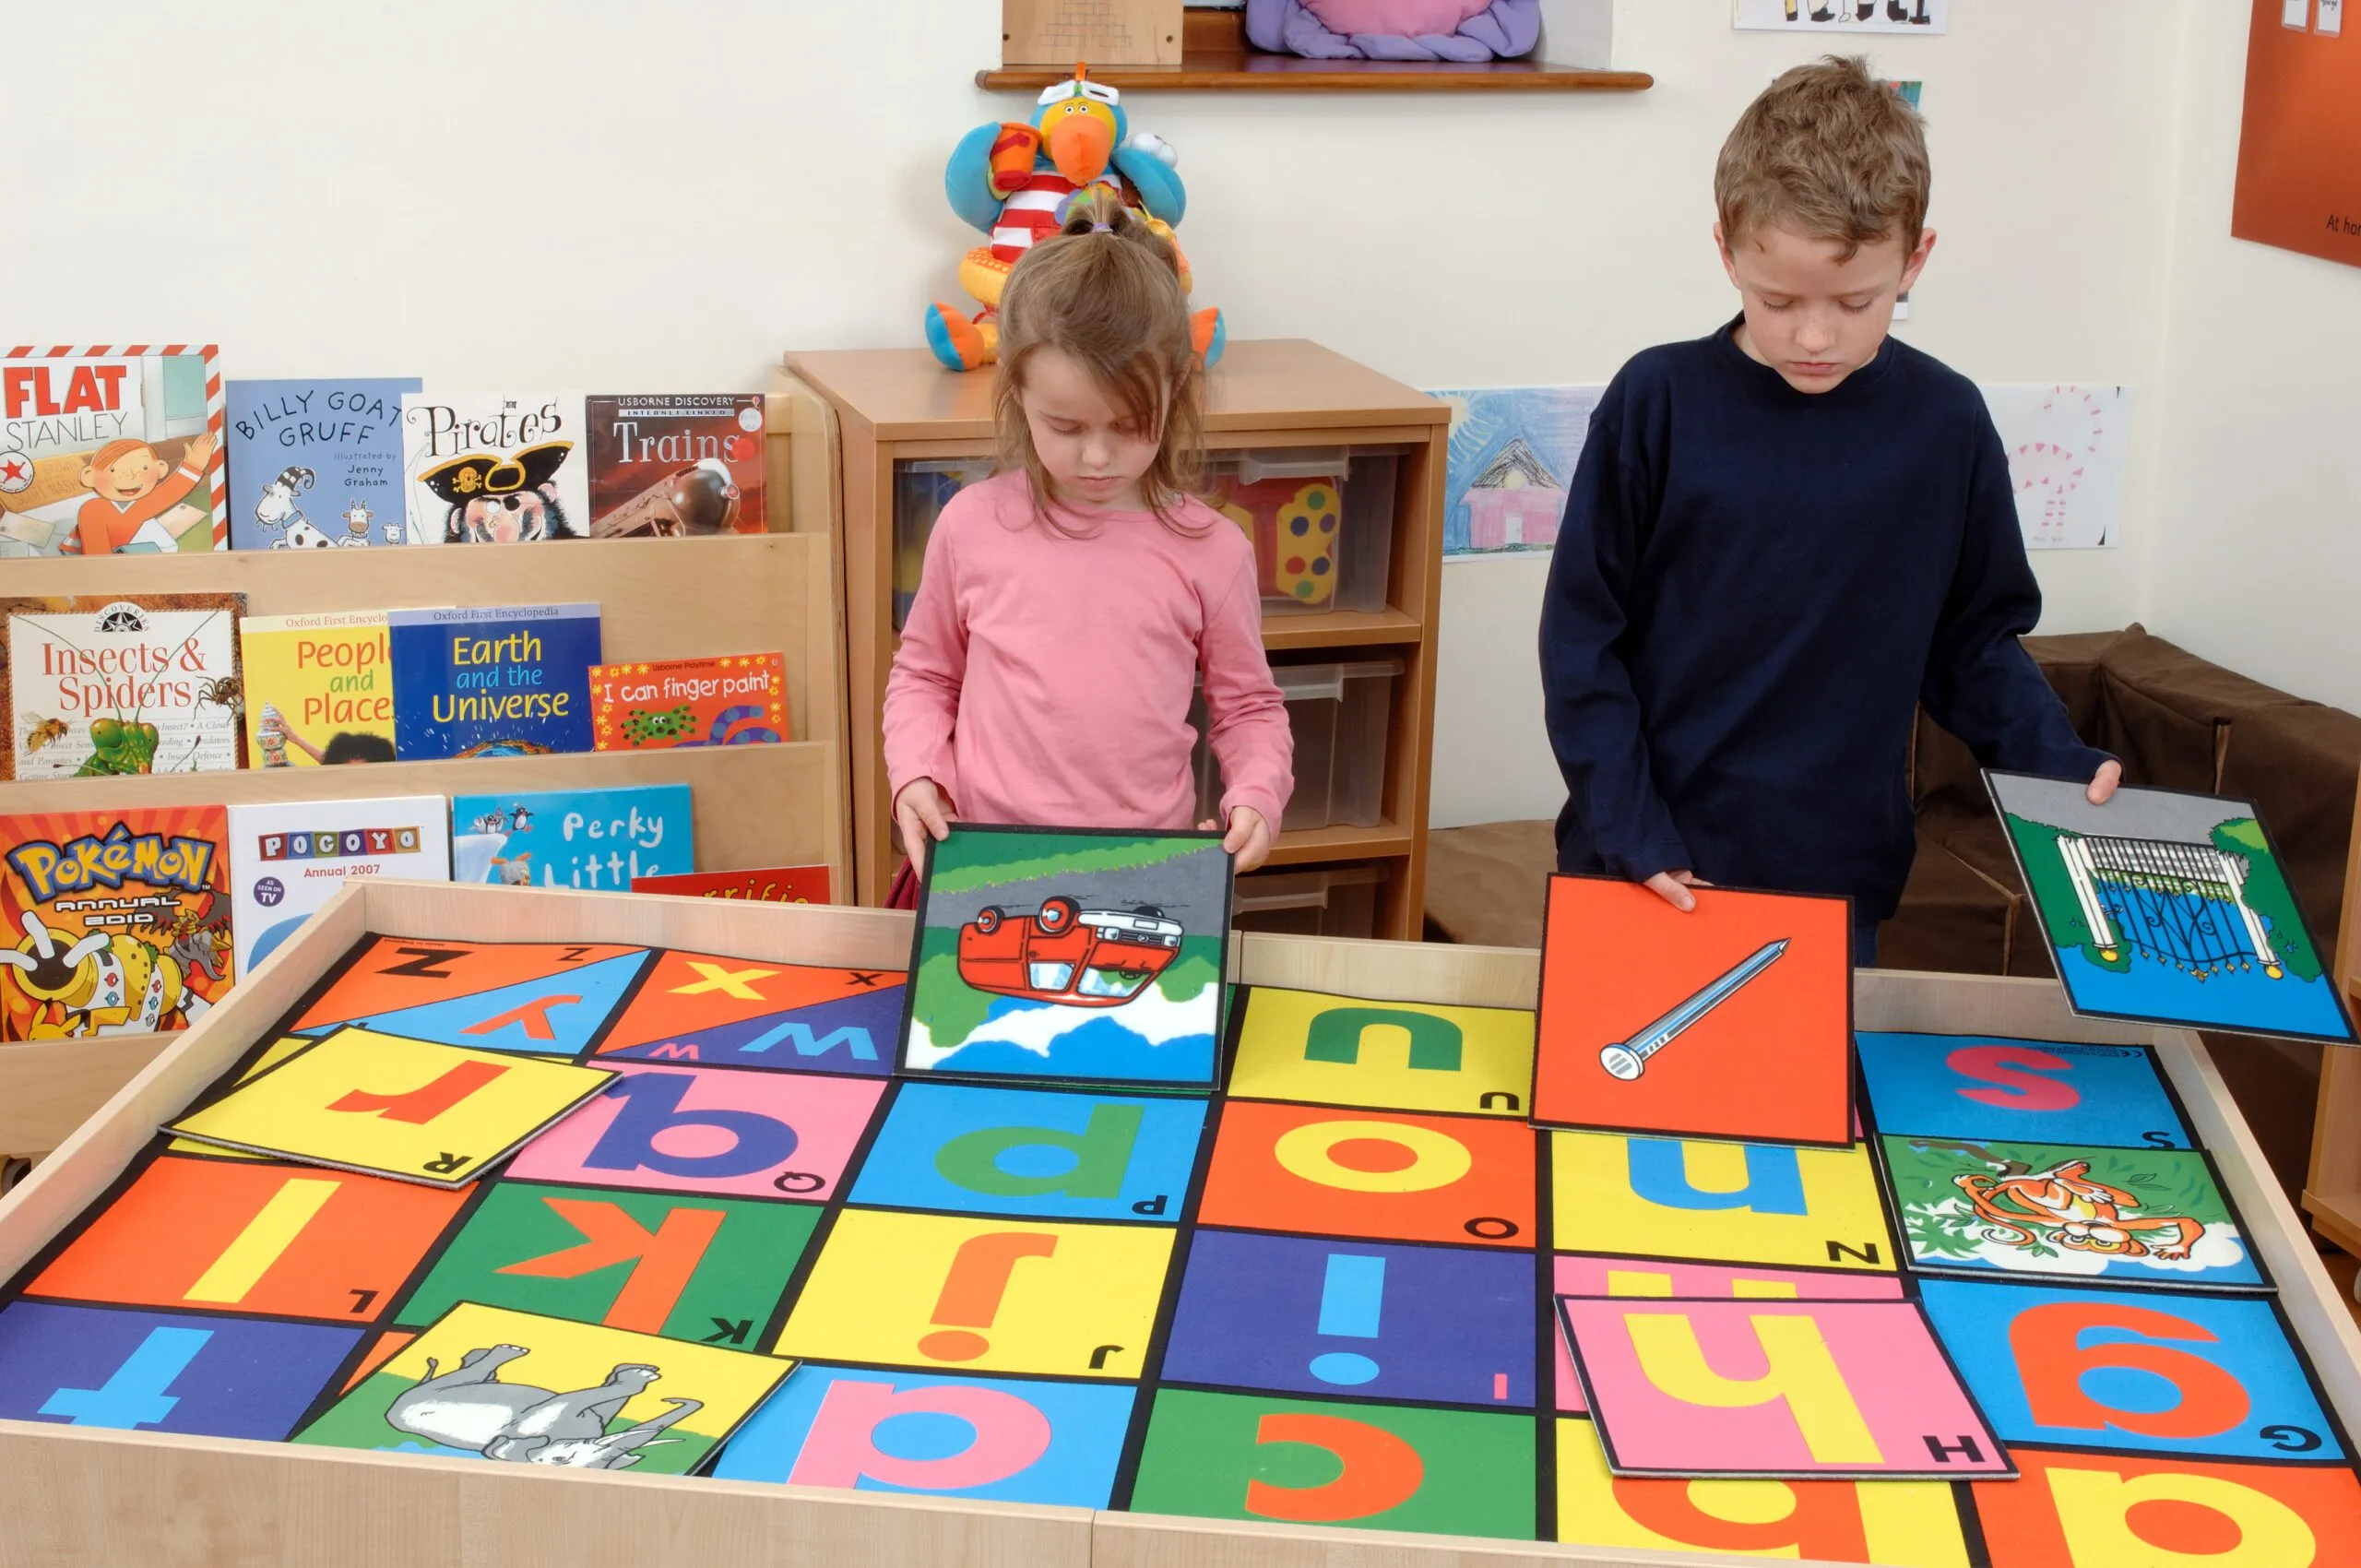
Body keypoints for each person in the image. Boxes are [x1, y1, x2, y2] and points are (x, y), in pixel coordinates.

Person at [1540, 55, 2119, 967]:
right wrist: (1630, 829)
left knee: (1804, 1112)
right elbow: (1582, 644)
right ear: (1726, 250)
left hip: (1832, 883)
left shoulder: (1945, 423)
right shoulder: (1657, 401)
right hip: (1639, 867)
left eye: (1855, 302)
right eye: (1777, 302)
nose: (1813, 336)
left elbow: (1972, 641)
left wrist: (2060, 764)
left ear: (1915, 259)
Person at [884, 187, 1293, 902]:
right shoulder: (972, 525)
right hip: (985, 867)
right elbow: (925, 676)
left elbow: (1248, 708)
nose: (1097, 456)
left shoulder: (1212, 549)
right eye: (1066, 427)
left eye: (1131, 424)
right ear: (1016, 394)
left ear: (1176, 393)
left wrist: (1257, 795)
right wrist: (917, 773)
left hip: (1144, 874)